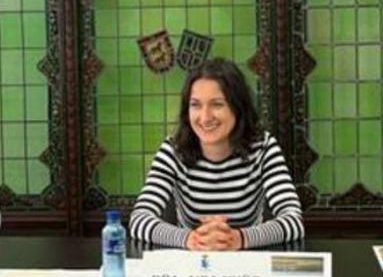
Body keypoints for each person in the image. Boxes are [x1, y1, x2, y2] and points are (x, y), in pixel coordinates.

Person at [129, 58, 304, 249]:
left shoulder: (263, 147)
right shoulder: (173, 150)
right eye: (195, 105)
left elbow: (293, 221)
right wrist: (191, 239)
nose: (205, 117)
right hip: (191, 266)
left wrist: (239, 239)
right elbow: (139, 219)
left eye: (217, 104)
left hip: (249, 266)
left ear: (237, 107)